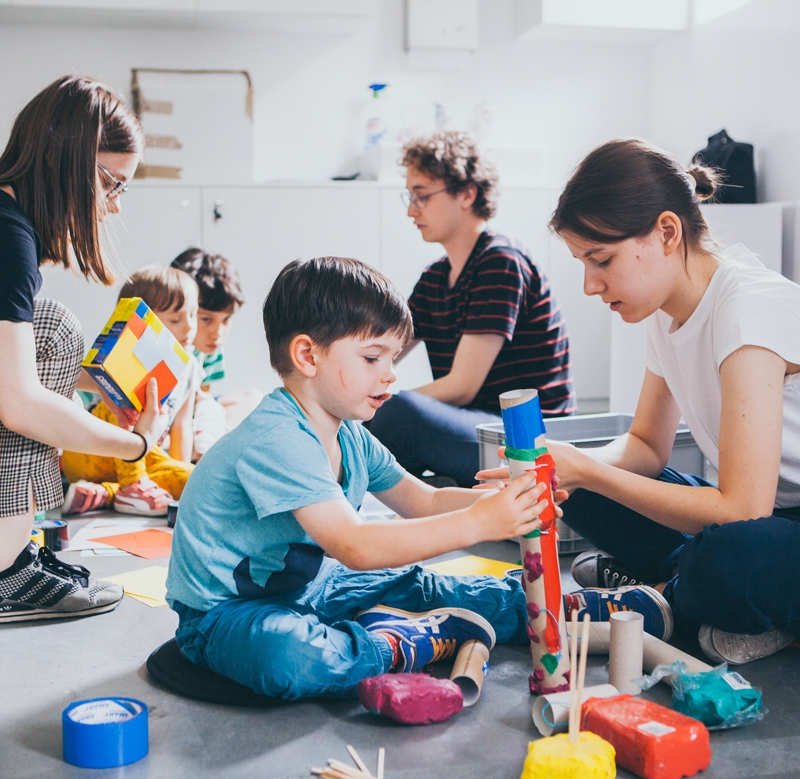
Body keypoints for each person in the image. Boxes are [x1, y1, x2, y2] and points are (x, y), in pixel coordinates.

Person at [165, 257, 663, 701]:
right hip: (222, 614)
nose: (390, 376)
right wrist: (482, 522)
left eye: (393, 359)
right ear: (307, 356)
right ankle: (403, 640)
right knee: (288, 658)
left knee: (422, 585)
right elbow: (355, 545)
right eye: (371, 358)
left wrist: (497, 501)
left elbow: (423, 500)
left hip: (314, 588)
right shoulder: (277, 437)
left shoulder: (350, 436)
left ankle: (583, 607)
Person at [479, 138, 800, 665]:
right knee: (576, 487)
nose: (589, 284)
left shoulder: (746, 310)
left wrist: (588, 469)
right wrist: (564, 468)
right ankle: (680, 581)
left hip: (760, 523)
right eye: (583, 262)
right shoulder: (668, 312)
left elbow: (743, 510)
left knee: (727, 560)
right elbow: (647, 445)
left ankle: (679, 589)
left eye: (600, 259)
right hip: (764, 517)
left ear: (667, 233)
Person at [0, 76, 169, 622]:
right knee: (52, 331)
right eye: (111, 182)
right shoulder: (7, 237)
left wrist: (104, 384)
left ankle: (15, 552)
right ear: (64, 158)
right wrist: (134, 446)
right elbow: (19, 402)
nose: (113, 206)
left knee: (48, 327)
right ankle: (7, 572)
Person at [369, 132, 575, 489]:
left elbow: (462, 387)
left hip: (525, 437)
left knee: (395, 413)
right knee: (371, 423)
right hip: (476, 426)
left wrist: (374, 403)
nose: (410, 209)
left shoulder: (501, 262)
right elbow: (381, 347)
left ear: (466, 193)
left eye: (422, 195)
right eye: (410, 195)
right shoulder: (436, 277)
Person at [62, 266, 204, 515]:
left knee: (196, 481)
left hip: (145, 457)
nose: (189, 327)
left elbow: (182, 425)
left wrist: (178, 466)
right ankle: (129, 486)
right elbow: (76, 377)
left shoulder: (190, 365)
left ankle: (108, 493)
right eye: (175, 319)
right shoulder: (128, 355)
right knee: (119, 408)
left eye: (193, 315)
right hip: (91, 453)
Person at [171, 248, 263, 435]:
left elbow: (201, 400)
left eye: (226, 319)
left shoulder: (210, 347)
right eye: (206, 319)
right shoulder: (167, 344)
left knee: (252, 399)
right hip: (162, 417)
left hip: (188, 417)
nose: (218, 333)